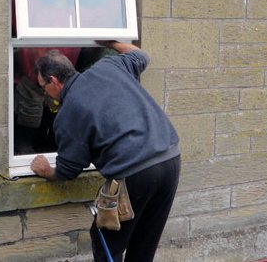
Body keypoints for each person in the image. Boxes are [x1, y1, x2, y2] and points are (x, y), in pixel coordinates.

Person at [30, 40, 181, 262]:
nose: (46, 93)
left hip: (135, 171)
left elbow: (68, 170)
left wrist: (46, 171)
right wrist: (111, 42)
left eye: (43, 87)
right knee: (144, 241)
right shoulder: (109, 66)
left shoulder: (69, 112)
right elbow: (141, 56)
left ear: (53, 81)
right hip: (170, 159)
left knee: (104, 238)